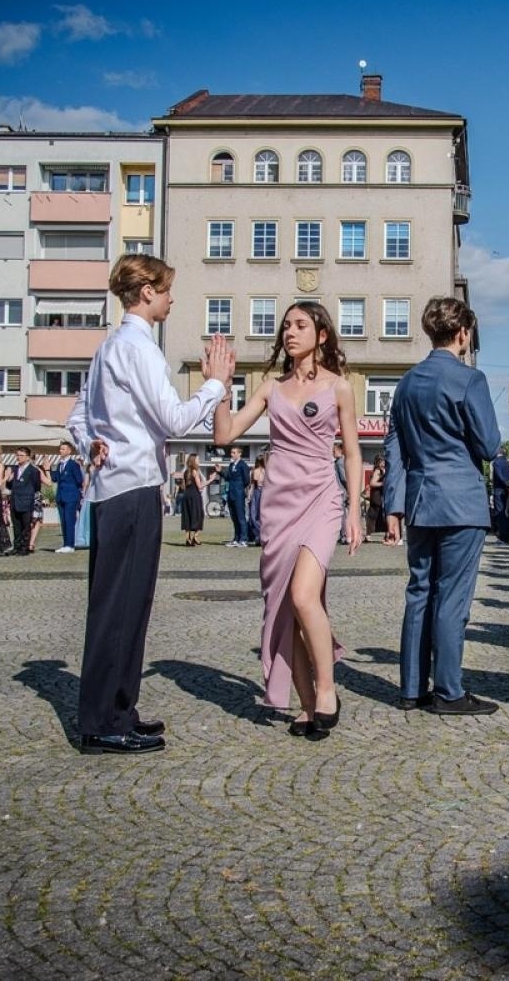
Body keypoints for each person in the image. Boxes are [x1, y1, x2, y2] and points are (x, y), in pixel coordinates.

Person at [67, 253, 231, 755]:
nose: (171, 299)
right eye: (166, 290)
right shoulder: (139, 348)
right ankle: (104, 721)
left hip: (114, 487)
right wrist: (215, 384)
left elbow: (77, 417)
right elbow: (173, 420)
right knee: (123, 607)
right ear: (147, 293)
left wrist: (91, 444)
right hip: (133, 487)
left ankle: (118, 709)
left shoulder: (108, 348)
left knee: (123, 605)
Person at [215, 301, 361, 738]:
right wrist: (221, 387)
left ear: (322, 335)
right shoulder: (270, 388)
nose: (290, 333)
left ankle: (327, 690)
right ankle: (307, 705)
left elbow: (353, 453)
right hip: (278, 505)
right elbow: (225, 434)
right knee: (283, 611)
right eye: (286, 327)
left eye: (300, 325)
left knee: (302, 596)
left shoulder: (340, 387)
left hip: (321, 498)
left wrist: (354, 510)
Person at [383, 296, 501, 715]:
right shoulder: (470, 379)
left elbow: (393, 446)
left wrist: (393, 504)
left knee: (419, 591)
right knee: (452, 597)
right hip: (461, 500)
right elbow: (489, 445)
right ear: (463, 333)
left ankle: (412, 688)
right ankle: (449, 690)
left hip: (420, 498)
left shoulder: (407, 382)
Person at [50, 441, 84, 553]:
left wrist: (76, 491)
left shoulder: (73, 465)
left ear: (69, 451)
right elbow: (55, 478)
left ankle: (70, 545)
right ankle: (65, 544)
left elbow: (79, 480)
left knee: (69, 520)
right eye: (60, 449)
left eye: (63, 449)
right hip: (61, 496)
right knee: (63, 521)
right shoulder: (60, 464)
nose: (61, 451)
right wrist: (48, 469)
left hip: (71, 496)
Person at [7, 447, 41, 555]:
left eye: (21, 455)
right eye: (17, 455)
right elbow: (10, 486)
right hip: (15, 500)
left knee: (26, 526)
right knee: (16, 526)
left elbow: (37, 486)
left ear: (27, 457)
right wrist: (9, 480)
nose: (18, 457)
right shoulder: (14, 469)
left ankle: (24, 547)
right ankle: (16, 546)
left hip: (26, 501)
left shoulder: (33, 471)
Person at [223, 445, 251, 547]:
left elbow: (247, 480)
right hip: (231, 494)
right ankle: (236, 538)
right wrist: (220, 471)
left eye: (234, 452)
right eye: (231, 452)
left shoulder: (243, 465)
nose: (232, 454)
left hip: (238, 494)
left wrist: (239, 488)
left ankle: (244, 539)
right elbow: (228, 477)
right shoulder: (231, 465)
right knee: (234, 518)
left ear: (239, 454)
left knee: (241, 517)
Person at [178, 453, 205, 546]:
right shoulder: (195, 471)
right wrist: (209, 481)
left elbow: (183, 486)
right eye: (198, 459)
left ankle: (188, 539)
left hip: (186, 495)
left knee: (187, 516)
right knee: (199, 515)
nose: (199, 461)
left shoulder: (186, 472)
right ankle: (195, 537)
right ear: (194, 461)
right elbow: (200, 486)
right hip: (194, 496)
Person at [249, 452, 267, 546]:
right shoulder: (257, 471)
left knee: (256, 515)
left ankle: (260, 536)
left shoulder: (265, 472)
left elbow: (252, 484)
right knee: (255, 515)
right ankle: (259, 536)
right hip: (258, 492)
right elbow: (252, 484)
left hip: (261, 492)